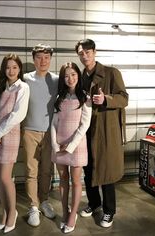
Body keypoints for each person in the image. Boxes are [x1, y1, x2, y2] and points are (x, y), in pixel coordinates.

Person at [75, 39, 128, 228]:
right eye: (81, 53)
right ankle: (94, 203)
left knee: (106, 171)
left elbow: (124, 98)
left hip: (106, 130)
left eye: (87, 52)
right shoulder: (81, 77)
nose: (84, 56)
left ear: (94, 52)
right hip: (87, 130)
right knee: (88, 170)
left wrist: (106, 98)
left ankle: (109, 211)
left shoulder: (111, 73)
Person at [51, 62, 92, 233]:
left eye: (73, 74)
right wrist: (54, 144)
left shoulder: (85, 98)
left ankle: (73, 214)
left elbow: (84, 125)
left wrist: (70, 146)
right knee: (62, 179)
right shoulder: (59, 97)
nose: (70, 78)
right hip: (59, 144)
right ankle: (65, 211)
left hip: (76, 145)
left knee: (76, 180)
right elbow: (53, 123)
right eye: (66, 75)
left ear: (78, 76)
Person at [0, 53, 30, 233]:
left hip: (10, 134)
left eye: (15, 67)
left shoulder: (23, 87)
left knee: (6, 177)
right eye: (8, 67)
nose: (11, 70)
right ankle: (5, 213)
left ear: (19, 69)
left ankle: (12, 213)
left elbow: (18, 114)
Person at [22, 43, 58, 226]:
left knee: (46, 171)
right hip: (29, 132)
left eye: (46, 57)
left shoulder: (58, 80)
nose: (43, 61)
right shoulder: (25, 79)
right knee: (31, 171)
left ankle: (44, 201)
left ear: (50, 59)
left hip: (50, 133)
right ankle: (33, 207)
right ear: (33, 59)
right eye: (39, 57)